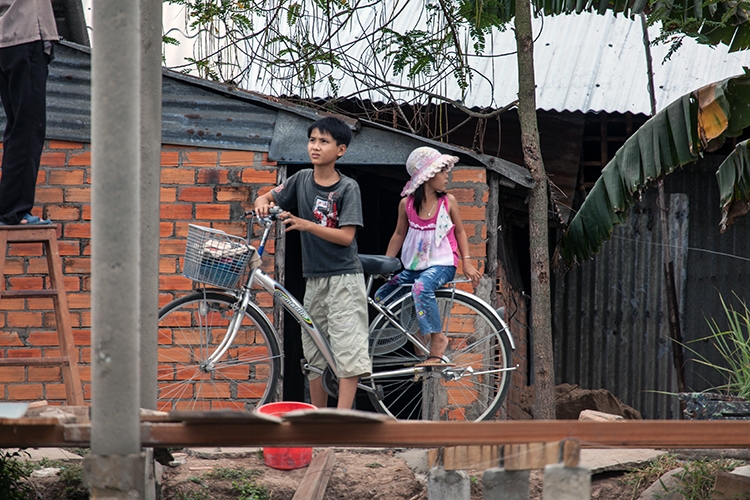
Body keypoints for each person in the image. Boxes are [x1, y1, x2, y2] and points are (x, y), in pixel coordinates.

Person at [254, 116, 370, 410]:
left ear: (340, 150)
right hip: (314, 278)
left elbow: (346, 237)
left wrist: (306, 225)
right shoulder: (301, 179)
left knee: (346, 348)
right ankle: (319, 419)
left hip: (343, 278)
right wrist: (262, 203)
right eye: (312, 140)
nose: (315, 147)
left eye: (324, 141)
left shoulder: (348, 188)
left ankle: (341, 420)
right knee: (315, 351)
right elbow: (266, 195)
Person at [375, 146, 482, 365]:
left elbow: (460, 231)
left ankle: (437, 339)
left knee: (421, 287)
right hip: (414, 267)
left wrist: (467, 264)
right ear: (427, 177)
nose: (446, 175)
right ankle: (416, 335)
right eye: (441, 171)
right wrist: (385, 263)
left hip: (442, 264)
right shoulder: (406, 205)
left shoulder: (448, 202)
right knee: (382, 296)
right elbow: (398, 234)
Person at [0, 0, 57, 226]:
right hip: (26, 35)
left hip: (6, 38)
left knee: (17, 128)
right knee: (29, 128)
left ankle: (8, 207)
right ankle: (14, 211)